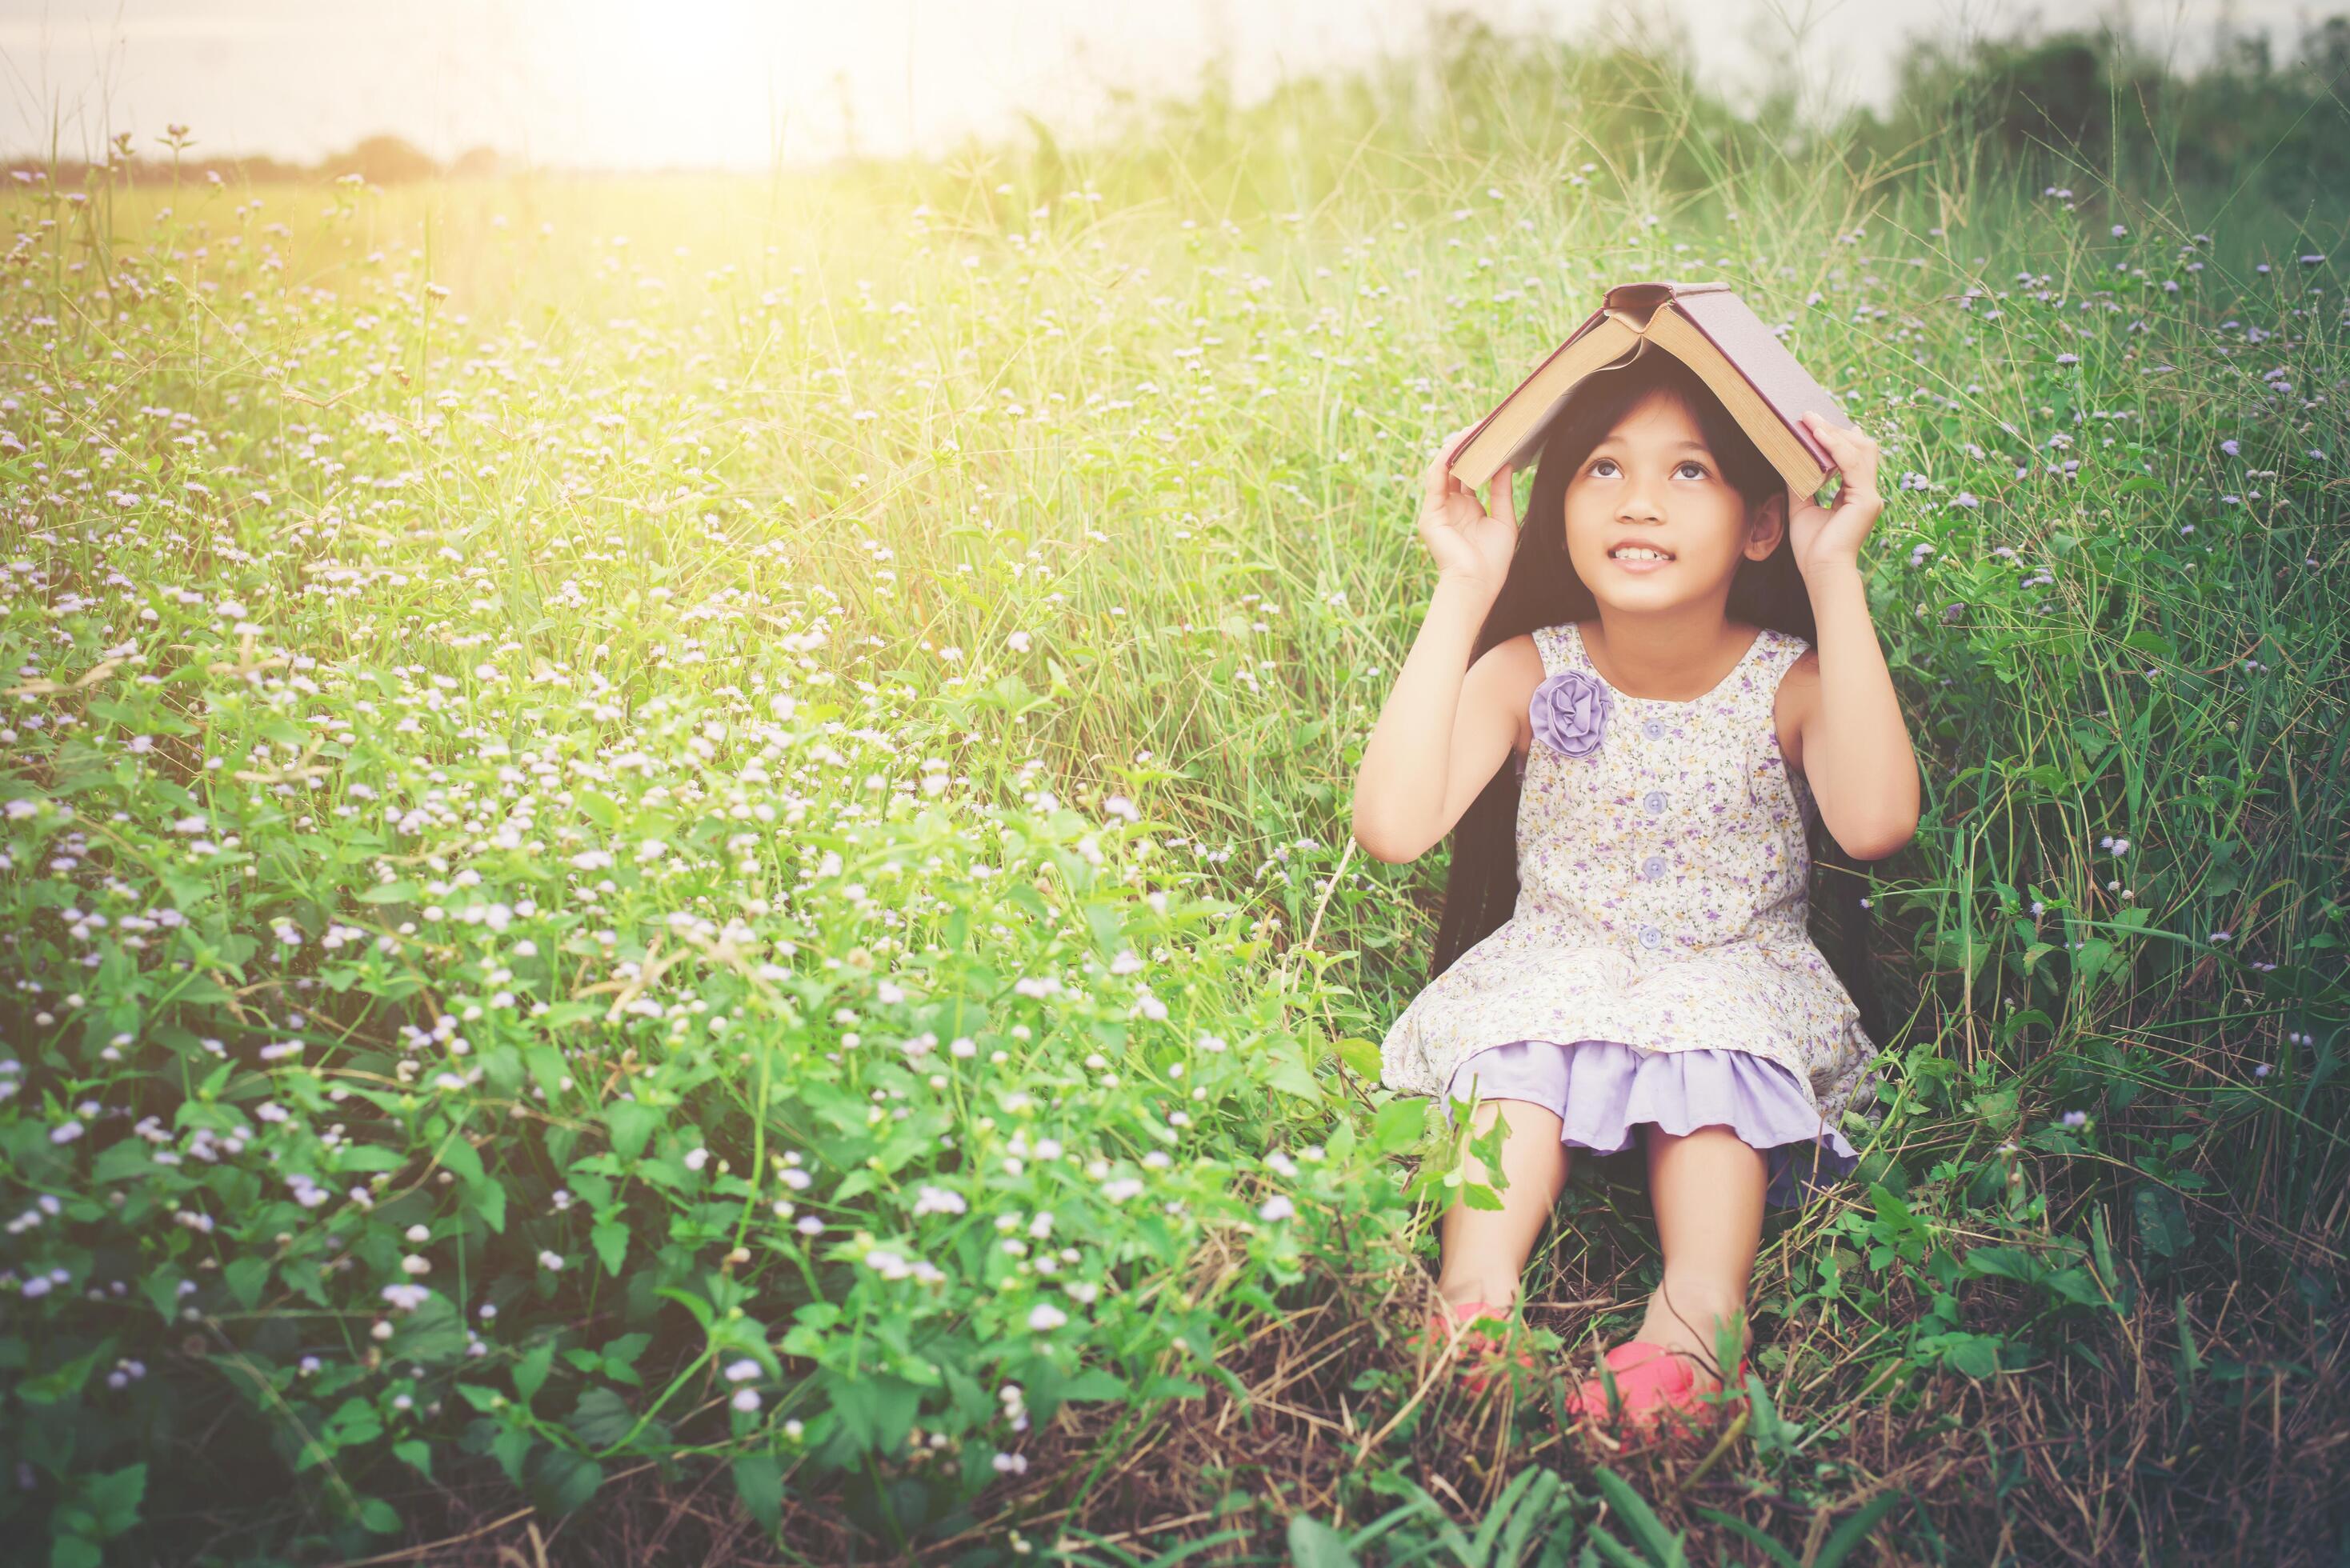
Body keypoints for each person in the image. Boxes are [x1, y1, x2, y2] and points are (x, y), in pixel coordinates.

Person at [1350, 346, 1920, 1441]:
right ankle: (1471, 1308)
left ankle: (1696, 1321)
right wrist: (1463, 583)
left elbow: (1876, 821)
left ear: (1760, 522)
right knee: (1514, 1054)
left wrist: (1834, 569)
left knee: (1712, 1065)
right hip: (1557, 960)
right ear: (1558, 507)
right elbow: (1391, 827)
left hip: (1727, 970)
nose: (1639, 501)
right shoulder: (1528, 665)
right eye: (1601, 470)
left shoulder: (1788, 679)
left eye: (1688, 473)